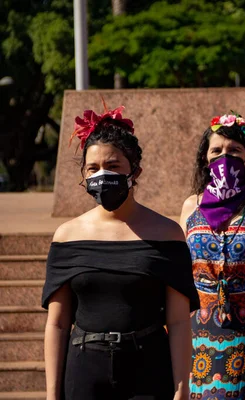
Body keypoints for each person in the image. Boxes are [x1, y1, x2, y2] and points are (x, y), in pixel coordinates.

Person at [42, 103, 199, 400]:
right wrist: (52, 394)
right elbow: (58, 323)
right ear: (84, 175)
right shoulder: (67, 236)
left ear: (134, 170)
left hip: (148, 370)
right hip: (84, 369)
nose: (102, 174)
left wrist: (182, 388)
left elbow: (178, 321)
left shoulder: (166, 234)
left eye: (113, 166)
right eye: (93, 168)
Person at [179, 114, 245, 399]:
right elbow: (179, 272)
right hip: (199, 329)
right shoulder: (191, 206)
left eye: (234, 151)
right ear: (205, 158)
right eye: (216, 151)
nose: (224, 157)